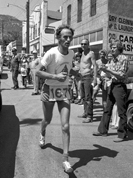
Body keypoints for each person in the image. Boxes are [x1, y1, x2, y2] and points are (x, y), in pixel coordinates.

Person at [36, 24, 80, 173]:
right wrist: (55, 76)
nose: (68, 40)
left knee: (65, 126)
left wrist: (76, 73)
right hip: (49, 89)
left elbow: (67, 68)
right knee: (47, 120)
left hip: (64, 91)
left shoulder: (71, 53)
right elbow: (37, 72)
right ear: (58, 38)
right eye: (65, 37)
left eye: (70, 37)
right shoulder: (51, 53)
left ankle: (65, 160)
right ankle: (42, 132)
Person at [93, 40, 128, 142]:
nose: (112, 49)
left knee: (121, 111)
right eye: (111, 47)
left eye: (114, 47)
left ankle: (122, 134)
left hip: (120, 86)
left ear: (119, 48)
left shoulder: (123, 59)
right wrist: (104, 70)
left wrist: (108, 70)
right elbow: (110, 74)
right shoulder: (112, 60)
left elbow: (121, 74)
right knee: (107, 108)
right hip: (112, 85)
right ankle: (102, 130)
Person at [77, 39, 97, 123]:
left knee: (88, 97)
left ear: (88, 44)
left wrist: (95, 78)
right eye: (82, 44)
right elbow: (82, 65)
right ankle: (85, 112)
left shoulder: (91, 53)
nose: (83, 45)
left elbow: (95, 66)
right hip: (81, 77)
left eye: (85, 44)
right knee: (84, 97)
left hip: (88, 77)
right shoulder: (82, 53)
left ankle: (90, 116)